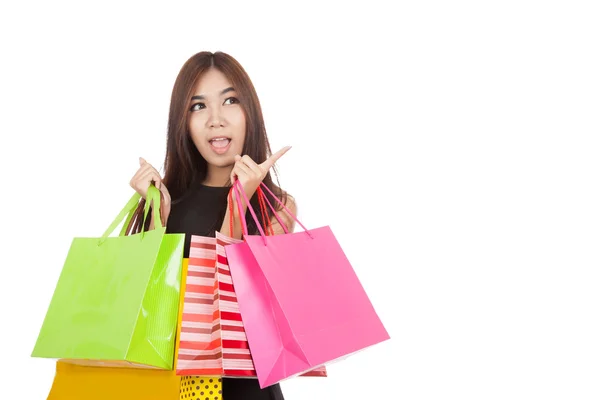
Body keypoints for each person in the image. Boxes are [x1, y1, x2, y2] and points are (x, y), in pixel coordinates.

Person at [128, 51, 295, 399]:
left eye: (230, 101)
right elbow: (144, 314)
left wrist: (238, 204)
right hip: (169, 390)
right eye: (198, 106)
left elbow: (234, 314)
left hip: (246, 391)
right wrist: (157, 217)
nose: (215, 120)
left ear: (250, 112)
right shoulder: (166, 203)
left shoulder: (276, 207)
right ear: (183, 122)